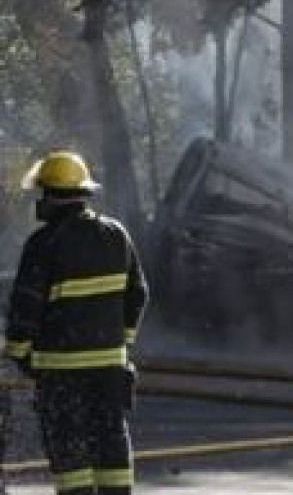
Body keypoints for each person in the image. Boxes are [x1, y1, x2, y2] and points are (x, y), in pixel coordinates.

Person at [5, 151, 148, 495]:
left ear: (53, 196)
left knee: (69, 449)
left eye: (43, 195)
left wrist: (20, 353)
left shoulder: (43, 244)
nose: (40, 203)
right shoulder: (117, 235)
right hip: (110, 368)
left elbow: (25, 307)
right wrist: (122, 343)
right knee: (110, 441)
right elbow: (139, 294)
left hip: (60, 370)